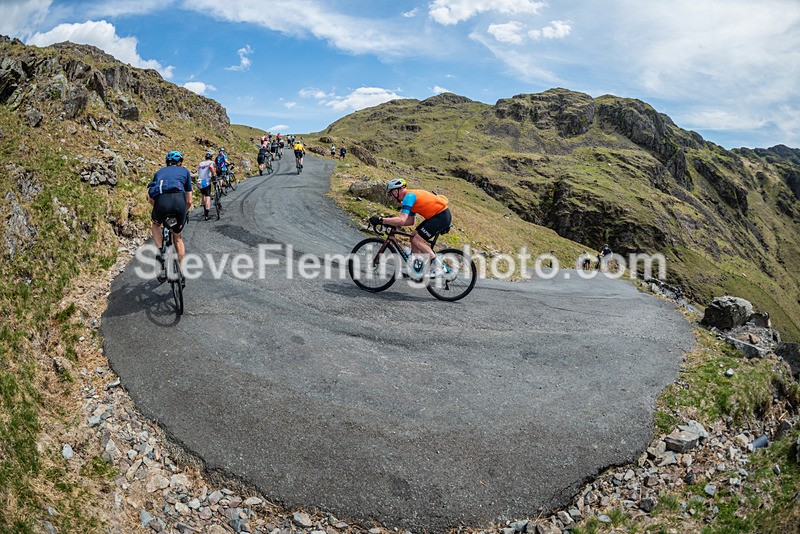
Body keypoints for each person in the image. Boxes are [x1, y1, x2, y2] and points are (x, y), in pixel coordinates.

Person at [369, 178, 450, 277]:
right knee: (413, 236)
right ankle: (416, 267)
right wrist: (389, 222)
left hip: (441, 216)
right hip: (436, 216)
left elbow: (402, 220)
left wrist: (381, 220)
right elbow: (410, 221)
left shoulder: (409, 197)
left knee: (417, 240)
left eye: (391, 194)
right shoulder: (410, 197)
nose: (392, 197)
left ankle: (440, 267)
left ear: (396, 191)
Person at [148, 150, 192, 281]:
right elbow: (189, 200)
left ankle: (161, 250)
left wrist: (158, 209)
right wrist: (185, 211)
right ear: (179, 163)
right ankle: (182, 270)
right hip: (179, 202)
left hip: (162, 202)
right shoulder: (185, 171)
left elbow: (152, 197)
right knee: (178, 238)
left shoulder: (159, 173)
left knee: (156, 224)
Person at [196, 151, 216, 220]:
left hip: (199, 180)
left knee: (203, 194)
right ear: (211, 158)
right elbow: (211, 167)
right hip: (205, 180)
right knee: (207, 196)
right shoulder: (211, 162)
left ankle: (204, 210)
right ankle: (207, 214)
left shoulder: (201, 163)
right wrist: (214, 175)